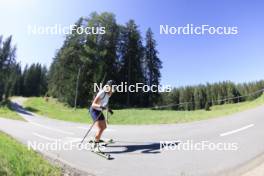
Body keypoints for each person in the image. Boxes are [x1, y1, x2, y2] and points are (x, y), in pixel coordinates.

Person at [89, 80, 115, 152]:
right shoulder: (102, 92)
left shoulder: (108, 94)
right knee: (100, 128)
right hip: (94, 110)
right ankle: (95, 146)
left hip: (99, 110)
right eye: (112, 87)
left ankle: (96, 138)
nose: (113, 90)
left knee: (104, 127)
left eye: (114, 88)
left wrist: (108, 110)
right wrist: (101, 106)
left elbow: (106, 104)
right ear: (108, 86)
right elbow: (93, 104)